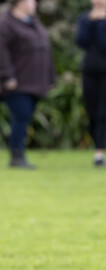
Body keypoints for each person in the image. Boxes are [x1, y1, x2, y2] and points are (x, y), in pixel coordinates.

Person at [0, 0, 55, 169]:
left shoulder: (34, 23)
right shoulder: (6, 23)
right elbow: (1, 52)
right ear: (19, 3)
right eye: (30, 1)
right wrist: (7, 76)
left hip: (35, 82)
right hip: (16, 82)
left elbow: (45, 50)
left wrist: (50, 78)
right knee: (21, 115)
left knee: (24, 117)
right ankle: (17, 156)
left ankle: (17, 153)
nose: (34, 4)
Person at [76, 0, 106, 168]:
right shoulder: (85, 18)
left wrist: (101, 22)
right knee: (92, 112)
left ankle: (99, 153)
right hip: (89, 71)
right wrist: (91, 22)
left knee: (103, 112)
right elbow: (81, 41)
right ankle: (96, 145)